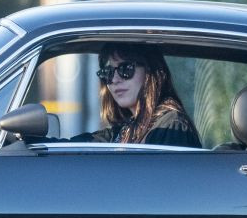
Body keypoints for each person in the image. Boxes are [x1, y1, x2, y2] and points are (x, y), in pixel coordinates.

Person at [70, 43, 202, 148]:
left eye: (125, 69)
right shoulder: (124, 129)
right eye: (108, 72)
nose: (115, 80)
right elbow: (78, 147)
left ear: (150, 70)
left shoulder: (170, 126)